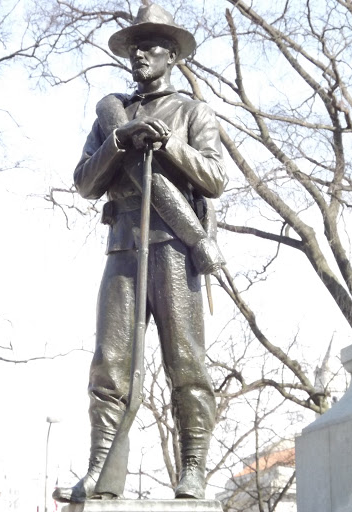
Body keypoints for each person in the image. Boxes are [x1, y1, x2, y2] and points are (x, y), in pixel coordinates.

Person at [53, 3, 227, 504]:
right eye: (134, 48)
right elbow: (84, 183)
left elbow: (215, 178)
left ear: (171, 55)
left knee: (186, 363)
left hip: (174, 249)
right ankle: (100, 473)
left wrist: (168, 145)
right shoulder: (114, 112)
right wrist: (118, 141)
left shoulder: (194, 112)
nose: (139, 56)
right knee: (110, 366)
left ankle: (193, 468)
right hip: (122, 249)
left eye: (150, 48)